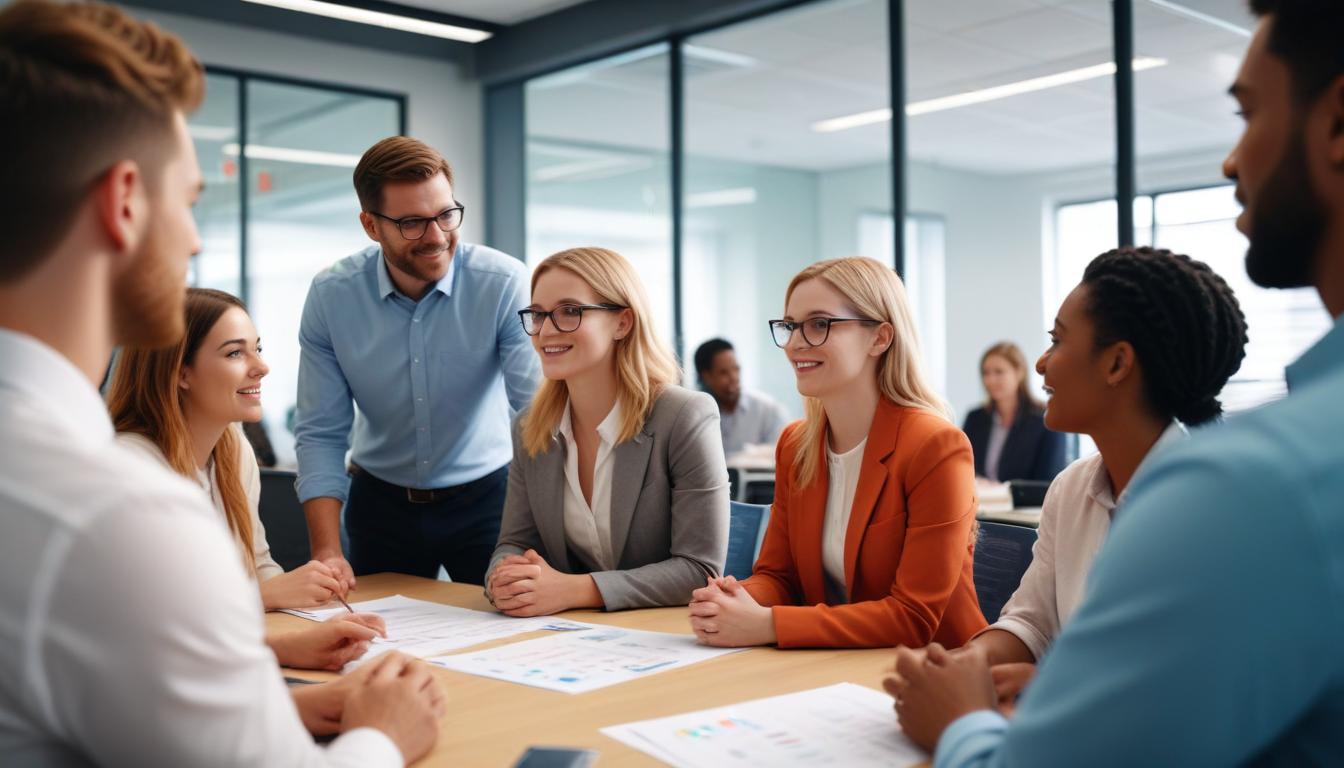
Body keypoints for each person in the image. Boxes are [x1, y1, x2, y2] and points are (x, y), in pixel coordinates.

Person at [886, 1, 1344, 763]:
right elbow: (1035, 625)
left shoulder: (1240, 492)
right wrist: (989, 670)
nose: (1232, 162)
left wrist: (959, 723)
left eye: (1249, 112)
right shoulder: (1094, 489)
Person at [0, 2, 442, 763]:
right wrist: (384, 733)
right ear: (125, 203)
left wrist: (266, 673)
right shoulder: (118, 517)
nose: (195, 239)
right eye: (191, 200)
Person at [962, 248, 1247, 713]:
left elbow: (1188, 685)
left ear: (1117, 364)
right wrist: (968, 664)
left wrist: (1057, 683)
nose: (1041, 364)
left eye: (1057, 342)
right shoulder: (1071, 488)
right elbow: (1032, 623)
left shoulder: (1212, 506)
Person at [688, 257, 985, 649]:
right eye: (791, 325)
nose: (794, 343)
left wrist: (768, 624)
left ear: (880, 338)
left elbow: (913, 618)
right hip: (834, 667)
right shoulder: (797, 445)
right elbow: (781, 578)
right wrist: (736, 598)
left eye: (818, 324)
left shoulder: (935, 447)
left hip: (936, 671)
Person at [295, 136, 541, 589]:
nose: (436, 237)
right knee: (380, 641)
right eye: (412, 222)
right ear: (371, 225)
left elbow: (539, 415)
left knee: (507, 629)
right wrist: (327, 552)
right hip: (380, 502)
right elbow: (320, 432)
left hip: (489, 496)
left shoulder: (503, 282)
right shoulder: (332, 296)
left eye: (446, 214)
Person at [106, 287, 395, 671]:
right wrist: (264, 594)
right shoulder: (129, 468)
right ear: (181, 372)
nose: (260, 367)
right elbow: (146, 615)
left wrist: (310, 609)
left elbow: (257, 564)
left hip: (229, 655)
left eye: (257, 348)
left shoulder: (232, 446)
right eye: (235, 353)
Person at [486, 247, 729, 615]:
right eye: (537, 314)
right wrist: (503, 579)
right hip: (574, 639)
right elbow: (515, 542)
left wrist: (574, 590)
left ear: (622, 323)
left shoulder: (683, 416)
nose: (546, 330)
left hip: (665, 634)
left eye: (570, 311)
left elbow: (699, 570)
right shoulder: (529, 427)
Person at [961, 342, 1067, 483]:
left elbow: (1048, 483)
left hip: (1027, 505)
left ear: (1019, 373)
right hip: (980, 503)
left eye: (999, 372)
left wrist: (1003, 490)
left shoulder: (1045, 420)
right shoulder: (975, 418)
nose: (990, 380)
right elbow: (962, 468)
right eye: (985, 373)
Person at [694, 337, 791, 455]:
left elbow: (782, 453)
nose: (734, 377)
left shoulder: (766, 408)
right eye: (723, 373)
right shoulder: (696, 415)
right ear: (706, 377)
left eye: (736, 369)